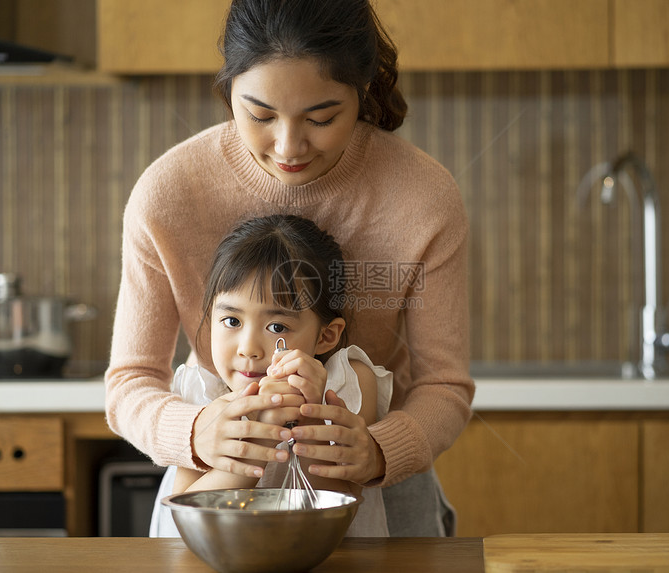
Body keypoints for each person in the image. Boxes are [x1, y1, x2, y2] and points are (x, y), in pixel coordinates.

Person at [105, 0, 473, 536]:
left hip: (384, 492)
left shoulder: (425, 198)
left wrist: (374, 451)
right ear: (228, 87)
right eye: (259, 115)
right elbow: (130, 382)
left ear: (364, 90)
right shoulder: (166, 196)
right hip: (218, 471)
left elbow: (444, 385)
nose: (288, 146)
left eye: (321, 118)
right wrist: (198, 431)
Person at [150, 214, 393, 537]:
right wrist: (261, 433)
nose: (248, 348)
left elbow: (336, 508)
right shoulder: (203, 394)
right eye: (232, 322)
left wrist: (309, 416)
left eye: (277, 327)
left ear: (326, 336)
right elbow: (188, 514)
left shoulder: (349, 384)